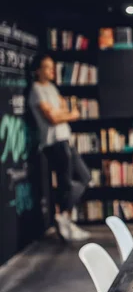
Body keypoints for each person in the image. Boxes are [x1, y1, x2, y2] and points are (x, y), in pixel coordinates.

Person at [28, 54, 92, 241]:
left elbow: (62, 111)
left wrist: (62, 113)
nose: (51, 70)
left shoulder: (52, 88)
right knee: (65, 182)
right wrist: (67, 114)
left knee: (85, 177)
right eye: (47, 67)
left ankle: (63, 216)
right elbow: (55, 117)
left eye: (52, 67)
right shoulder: (37, 90)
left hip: (66, 139)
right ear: (38, 70)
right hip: (54, 142)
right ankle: (65, 220)